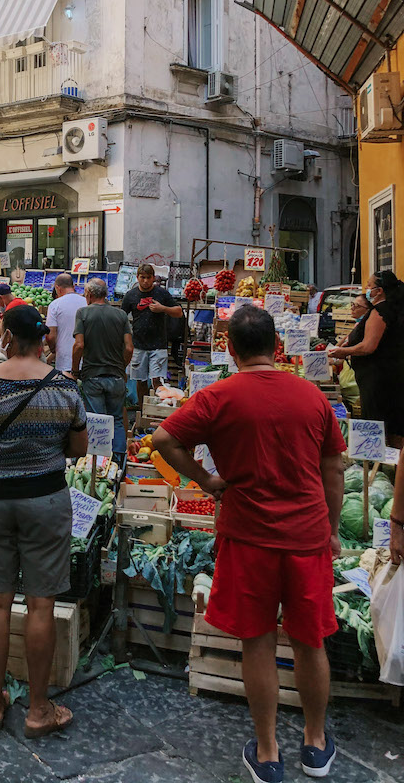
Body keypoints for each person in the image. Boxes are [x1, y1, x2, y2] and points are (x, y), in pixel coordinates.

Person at [152, 306, 345, 783]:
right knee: (309, 641)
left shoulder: (219, 395)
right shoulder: (312, 396)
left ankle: (267, 750)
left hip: (248, 535)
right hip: (306, 537)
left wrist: (208, 480)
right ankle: (316, 744)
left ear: (231, 349)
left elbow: (162, 439)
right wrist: (333, 528)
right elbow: (335, 468)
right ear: (277, 346)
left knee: (257, 642)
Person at [0, 304, 88, 738]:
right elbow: (78, 449)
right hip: (45, 499)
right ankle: (37, 710)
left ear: (7, 335)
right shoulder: (66, 389)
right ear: (44, 339)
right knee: (41, 604)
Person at [327, 271, 404, 449]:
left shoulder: (380, 312)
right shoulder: (394, 308)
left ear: (380, 291)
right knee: (393, 427)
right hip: (391, 375)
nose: (366, 289)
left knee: (380, 425)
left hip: (378, 380)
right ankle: (393, 467)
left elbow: (368, 346)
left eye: (369, 286)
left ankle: (383, 467)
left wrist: (343, 352)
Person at [71, 278, 133, 460]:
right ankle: (119, 462)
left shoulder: (83, 313)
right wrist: (122, 368)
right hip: (116, 377)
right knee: (117, 421)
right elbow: (129, 348)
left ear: (88, 295)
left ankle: (98, 465)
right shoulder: (120, 315)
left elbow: (79, 345)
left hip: (92, 376)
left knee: (97, 422)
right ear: (105, 294)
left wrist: (75, 371)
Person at [122, 263, 182, 403]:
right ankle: (142, 409)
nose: (145, 281)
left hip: (159, 345)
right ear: (137, 277)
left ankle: (159, 409)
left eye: (148, 277)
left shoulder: (161, 294)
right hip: (138, 345)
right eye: (142, 277)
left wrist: (163, 308)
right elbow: (121, 317)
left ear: (153, 278)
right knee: (140, 381)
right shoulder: (131, 296)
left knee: (158, 381)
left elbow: (179, 312)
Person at [46, 274, 86, 373]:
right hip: (86, 361)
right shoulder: (86, 302)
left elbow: (50, 336)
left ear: (57, 288)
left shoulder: (55, 305)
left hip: (64, 361)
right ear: (74, 286)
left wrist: (53, 350)